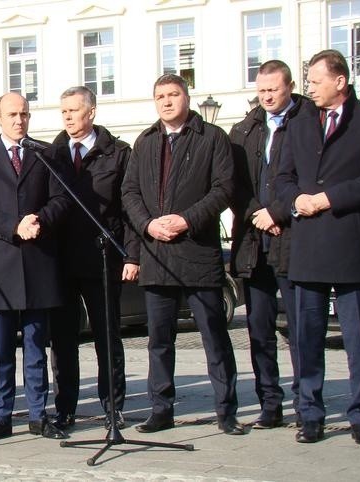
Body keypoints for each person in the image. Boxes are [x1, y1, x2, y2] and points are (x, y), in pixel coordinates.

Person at [121, 74, 244, 436]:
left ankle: (226, 410)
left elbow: (224, 189)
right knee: (159, 340)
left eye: (173, 94)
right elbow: (129, 193)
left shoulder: (212, 138)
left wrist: (186, 220)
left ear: (186, 98)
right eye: (160, 96)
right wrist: (148, 225)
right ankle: (161, 409)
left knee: (214, 336)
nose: (167, 101)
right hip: (157, 256)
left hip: (198, 254)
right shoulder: (144, 142)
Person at [275, 49, 360, 446]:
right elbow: (282, 177)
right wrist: (296, 201)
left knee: (356, 339)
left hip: (349, 245)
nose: (310, 88)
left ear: (340, 81)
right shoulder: (299, 125)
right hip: (306, 246)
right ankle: (311, 415)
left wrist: (327, 199)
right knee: (307, 338)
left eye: (315, 81)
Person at [0, 92, 71, 441]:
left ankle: (39, 415)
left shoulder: (46, 153)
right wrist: (15, 226)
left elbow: (61, 199)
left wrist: (38, 219)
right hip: (1, 266)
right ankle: (0, 416)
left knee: (35, 345)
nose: (19, 120)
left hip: (38, 261)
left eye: (24, 114)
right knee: (0, 350)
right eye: (12, 115)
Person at [48, 86, 139, 432]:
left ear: (92, 112)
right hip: (62, 262)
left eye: (74, 111)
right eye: (64, 112)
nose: (69, 117)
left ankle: (112, 406)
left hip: (102, 258)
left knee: (107, 336)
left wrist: (132, 254)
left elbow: (129, 207)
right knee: (64, 340)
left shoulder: (117, 153)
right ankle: (66, 407)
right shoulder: (52, 153)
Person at [229, 60, 311, 429]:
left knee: (300, 328)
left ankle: (307, 402)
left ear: (290, 86)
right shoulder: (245, 129)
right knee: (259, 329)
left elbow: (311, 178)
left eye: (273, 90)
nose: (266, 96)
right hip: (253, 243)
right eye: (261, 90)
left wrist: (277, 213)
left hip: (295, 240)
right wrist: (257, 214)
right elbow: (233, 183)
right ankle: (270, 403)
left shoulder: (309, 122)